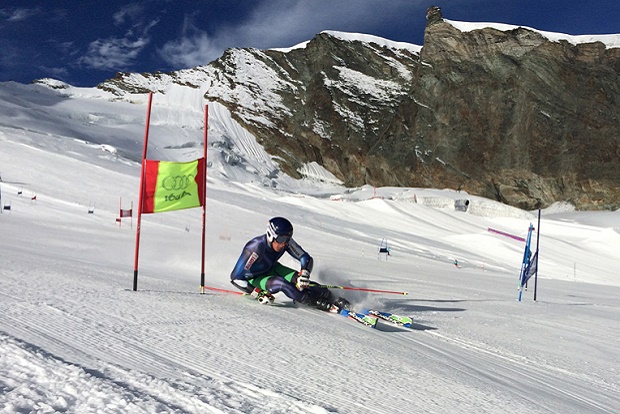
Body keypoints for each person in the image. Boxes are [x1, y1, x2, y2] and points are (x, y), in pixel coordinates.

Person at [230, 216, 349, 312]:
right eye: (281, 240)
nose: (284, 244)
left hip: (272, 268)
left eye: (288, 239)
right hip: (255, 278)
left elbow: (305, 257)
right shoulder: (255, 248)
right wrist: (258, 293)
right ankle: (314, 302)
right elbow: (235, 278)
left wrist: (305, 274)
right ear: (271, 236)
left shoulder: (285, 242)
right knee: (283, 284)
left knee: (300, 280)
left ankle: (332, 297)